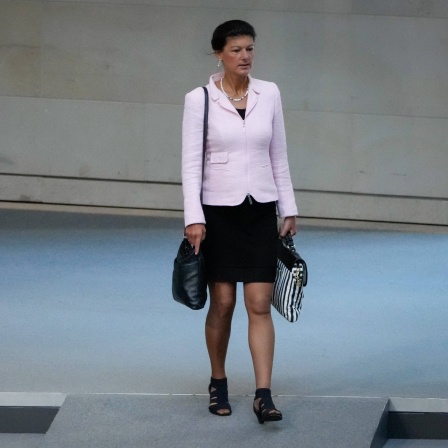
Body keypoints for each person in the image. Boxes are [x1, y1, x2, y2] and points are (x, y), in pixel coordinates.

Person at [181, 19, 298, 424]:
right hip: (218, 213)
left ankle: (263, 394)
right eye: (236, 50)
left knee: (260, 303)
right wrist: (193, 217)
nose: (245, 56)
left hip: (261, 209)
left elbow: (278, 154)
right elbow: (190, 163)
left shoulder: (270, 93)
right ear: (219, 54)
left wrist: (289, 206)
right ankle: (218, 381)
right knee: (225, 303)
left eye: (249, 48)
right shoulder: (199, 99)